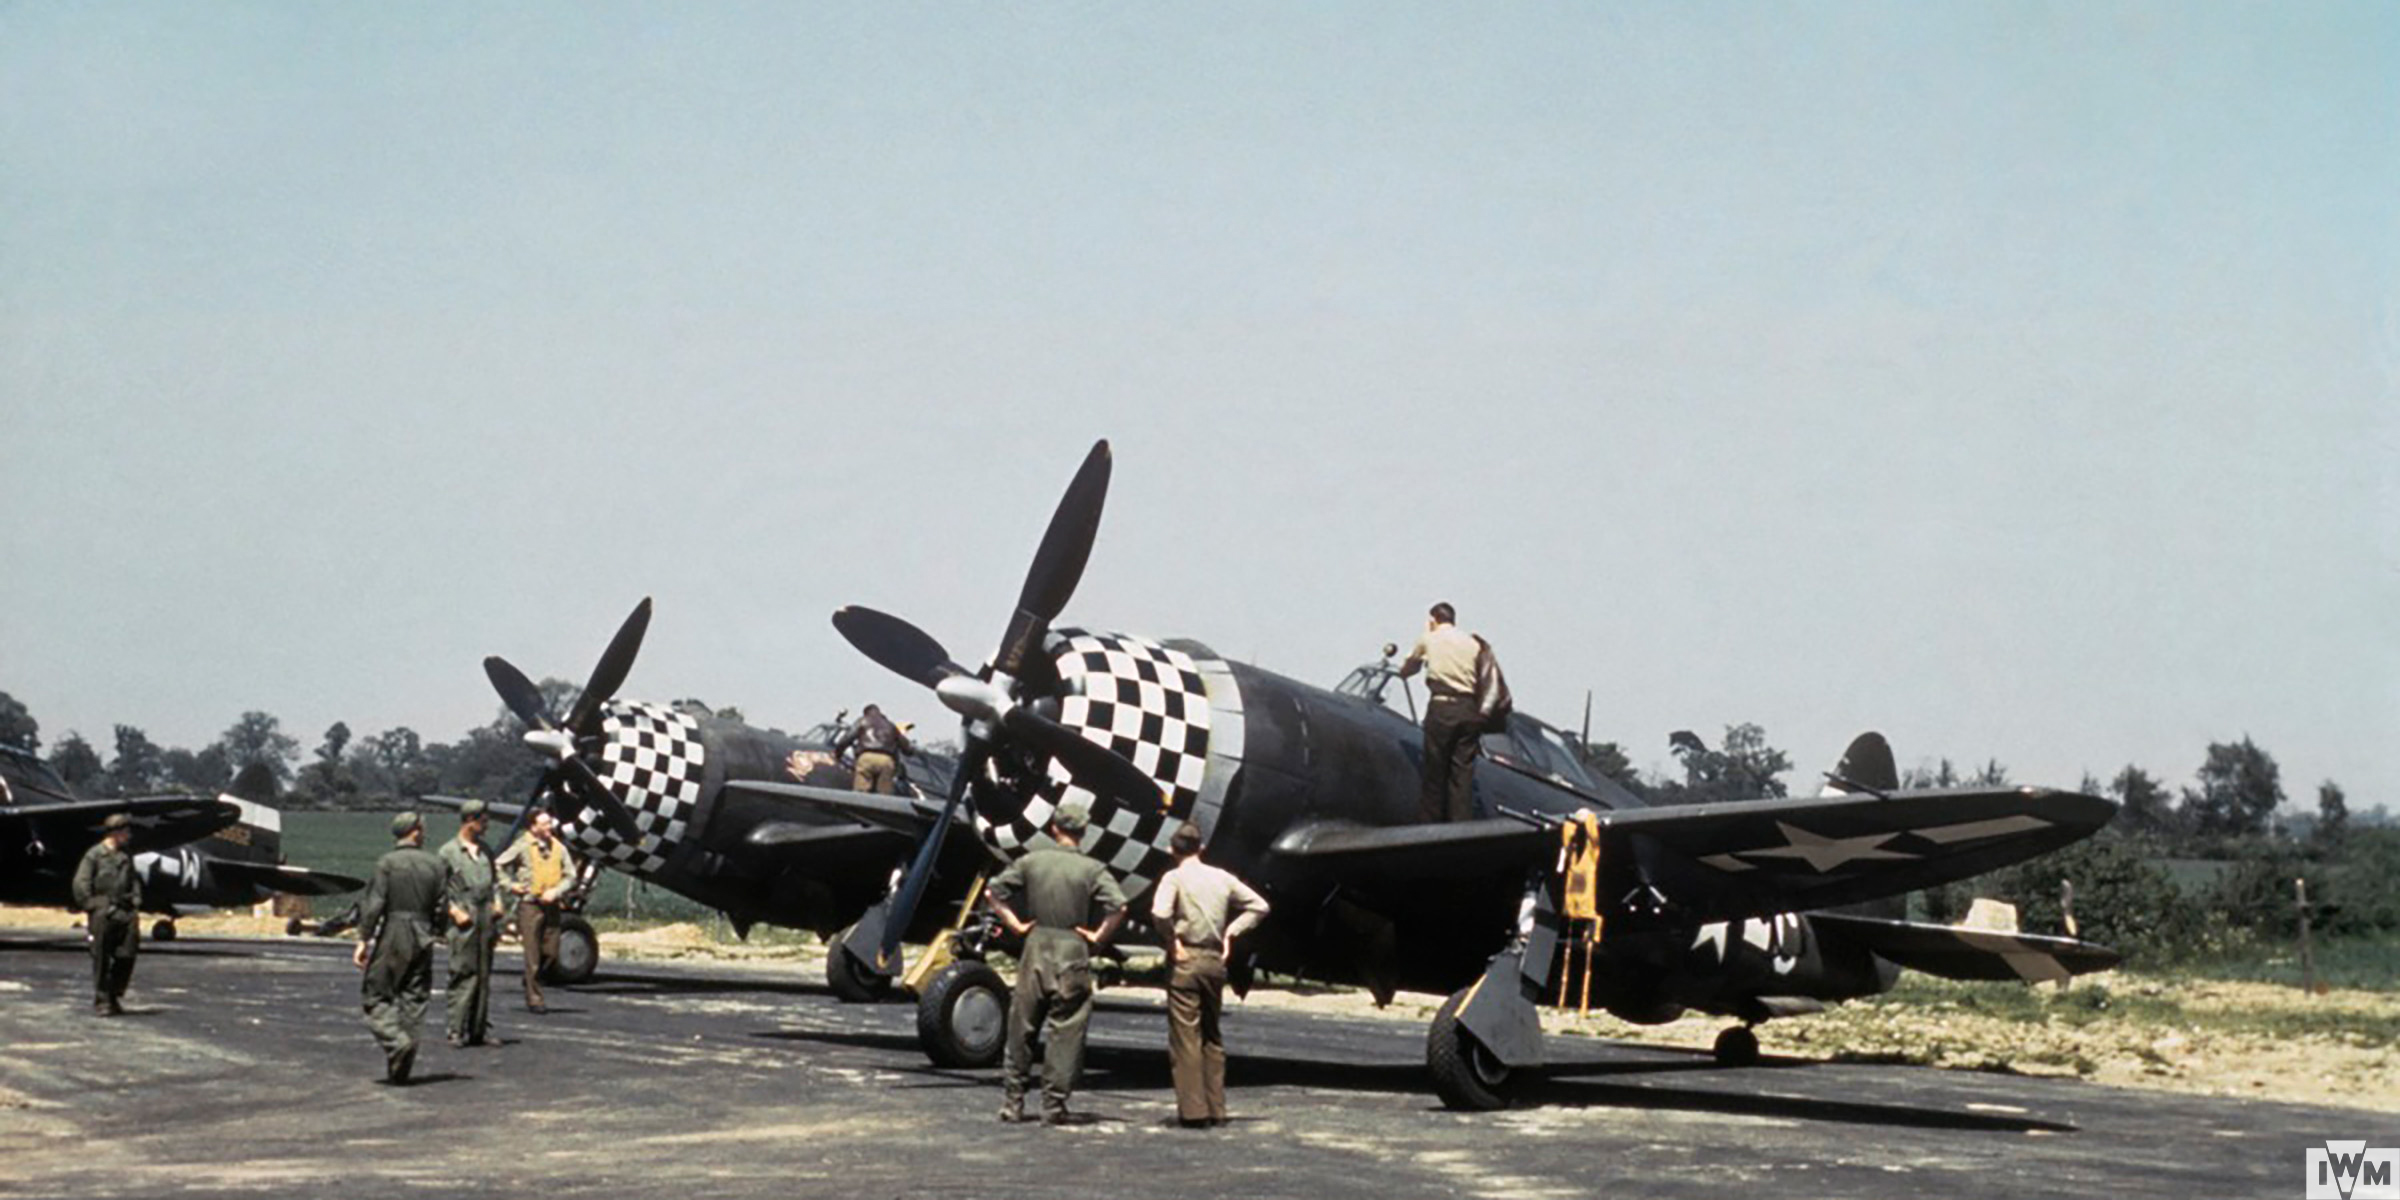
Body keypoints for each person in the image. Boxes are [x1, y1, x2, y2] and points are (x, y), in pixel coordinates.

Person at [986, 799, 1126, 1125]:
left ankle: (1013, 1101)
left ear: (1054, 828)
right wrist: (1098, 936)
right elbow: (1119, 907)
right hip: (1073, 950)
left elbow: (994, 893)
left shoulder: (1031, 861)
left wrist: (1015, 925)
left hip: (1035, 947)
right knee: (1067, 1030)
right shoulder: (1093, 869)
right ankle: (1054, 1105)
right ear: (1083, 832)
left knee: (1021, 1026)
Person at [1149, 822, 1270, 1128]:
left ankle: (1193, 1112)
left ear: (1171, 849)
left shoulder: (1172, 877)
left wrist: (1171, 941)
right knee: (1212, 1035)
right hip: (1215, 961)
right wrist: (1231, 932)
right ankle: (1217, 1109)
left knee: (1186, 1037)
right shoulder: (1222, 877)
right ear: (1201, 848)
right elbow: (1260, 906)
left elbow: (1160, 913)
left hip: (1185, 959)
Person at [354, 812, 447, 1084]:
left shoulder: (387, 863)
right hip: (423, 934)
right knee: (414, 999)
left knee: (376, 994)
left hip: (394, 931)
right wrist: (436, 932)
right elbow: (442, 906)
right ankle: (401, 1068)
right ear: (416, 831)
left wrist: (363, 938)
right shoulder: (436, 864)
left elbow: (374, 905)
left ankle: (396, 1042)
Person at [1396, 601, 1484, 822]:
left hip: (1443, 708)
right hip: (1470, 710)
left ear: (1433, 620)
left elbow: (1409, 667)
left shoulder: (1430, 637)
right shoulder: (1472, 643)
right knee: (1462, 773)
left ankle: (1431, 826)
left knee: (1435, 770)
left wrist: (1404, 671)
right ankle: (1461, 827)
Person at [498, 808, 578, 1014]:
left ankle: (530, 978)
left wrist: (557, 891)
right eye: (545, 824)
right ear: (533, 827)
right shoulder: (522, 846)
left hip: (551, 905)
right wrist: (511, 885)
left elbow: (571, 875)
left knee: (551, 952)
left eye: (550, 823)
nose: (550, 827)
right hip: (530, 905)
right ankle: (535, 998)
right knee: (531, 953)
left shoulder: (559, 848)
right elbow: (497, 865)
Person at [437, 800, 503, 1047]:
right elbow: (438, 889)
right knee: (463, 972)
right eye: (483, 821)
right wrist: (453, 911)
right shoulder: (448, 853)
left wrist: (498, 903)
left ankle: (478, 1029)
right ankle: (455, 1028)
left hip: (485, 915)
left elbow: (494, 881)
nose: (486, 826)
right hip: (463, 915)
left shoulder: (486, 850)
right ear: (470, 821)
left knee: (484, 974)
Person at [69, 813, 141, 1016]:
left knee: (127, 954)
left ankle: (114, 993)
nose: (129, 835)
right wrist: (93, 905)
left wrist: (135, 901)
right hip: (103, 912)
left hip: (125, 911)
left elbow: (134, 881)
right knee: (101, 956)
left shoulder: (126, 856)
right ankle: (102, 1000)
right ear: (116, 833)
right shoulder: (94, 855)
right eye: (126, 831)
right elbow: (81, 883)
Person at [831, 704, 912, 794]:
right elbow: (907, 748)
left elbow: (847, 739)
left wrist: (838, 754)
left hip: (866, 758)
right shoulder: (891, 725)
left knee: (861, 794)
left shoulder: (862, 721)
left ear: (865, 713)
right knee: (885, 796)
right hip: (886, 761)